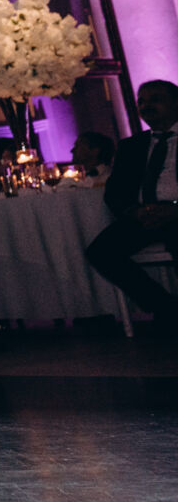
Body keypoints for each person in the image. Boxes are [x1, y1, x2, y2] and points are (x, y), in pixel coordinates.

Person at [85, 80, 178, 330]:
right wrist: (135, 211)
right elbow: (115, 192)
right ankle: (165, 307)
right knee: (101, 251)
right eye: (142, 101)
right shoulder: (131, 146)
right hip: (143, 216)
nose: (146, 106)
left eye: (156, 99)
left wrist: (174, 208)